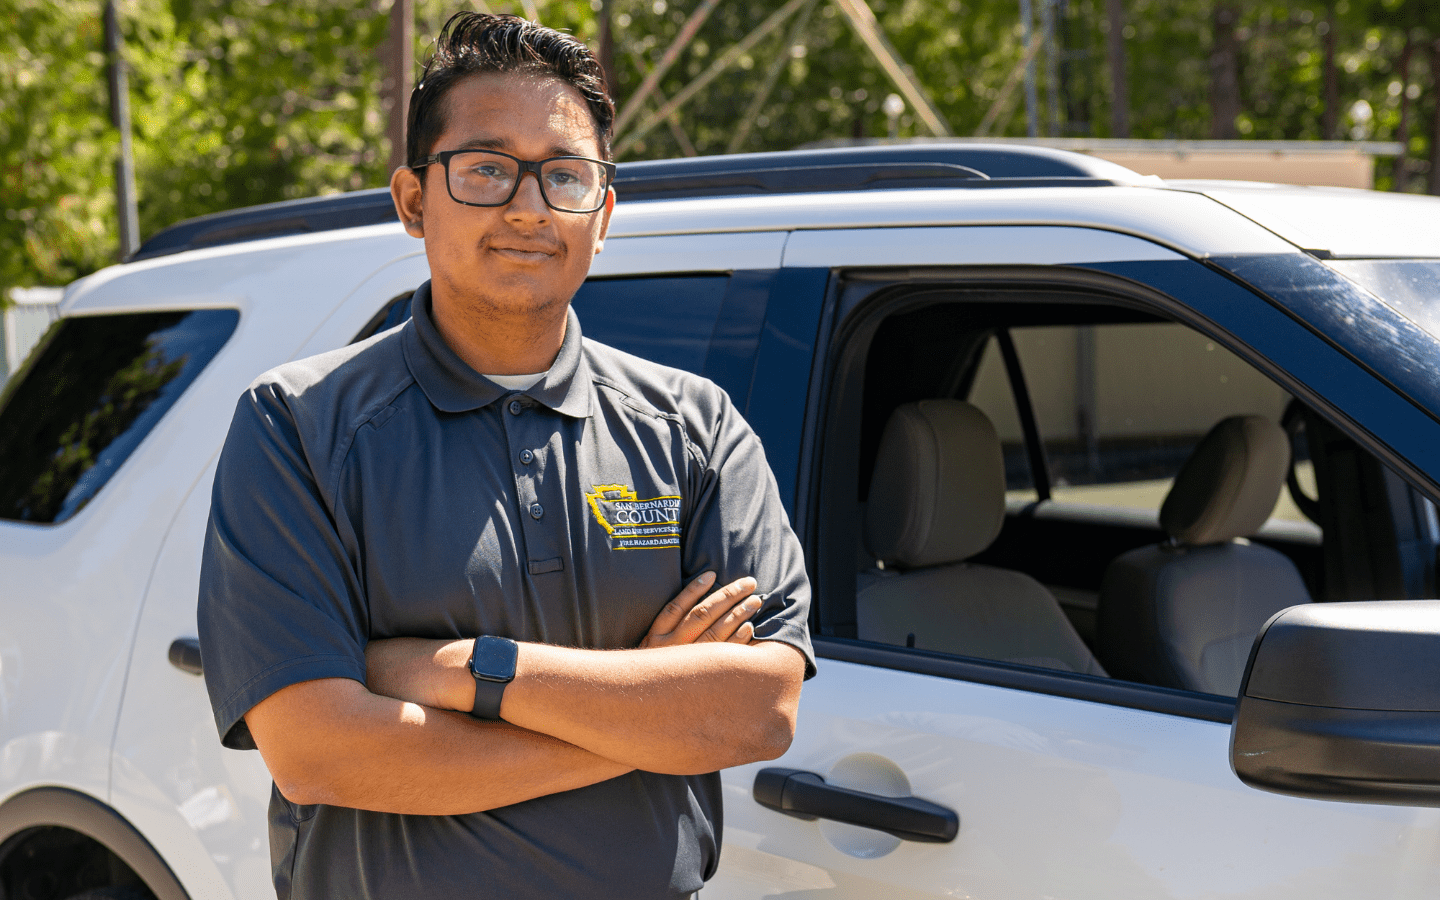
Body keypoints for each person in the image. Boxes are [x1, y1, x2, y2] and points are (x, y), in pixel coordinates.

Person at [196, 11, 814, 900]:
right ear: (414, 201)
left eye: (565, 176)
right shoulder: (300, 427)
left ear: (603, 214)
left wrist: (462, 670)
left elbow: (759, 711)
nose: (529, 207)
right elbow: (320, 753)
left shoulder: (694, 429)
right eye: (486, 168)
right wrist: (653, 720)